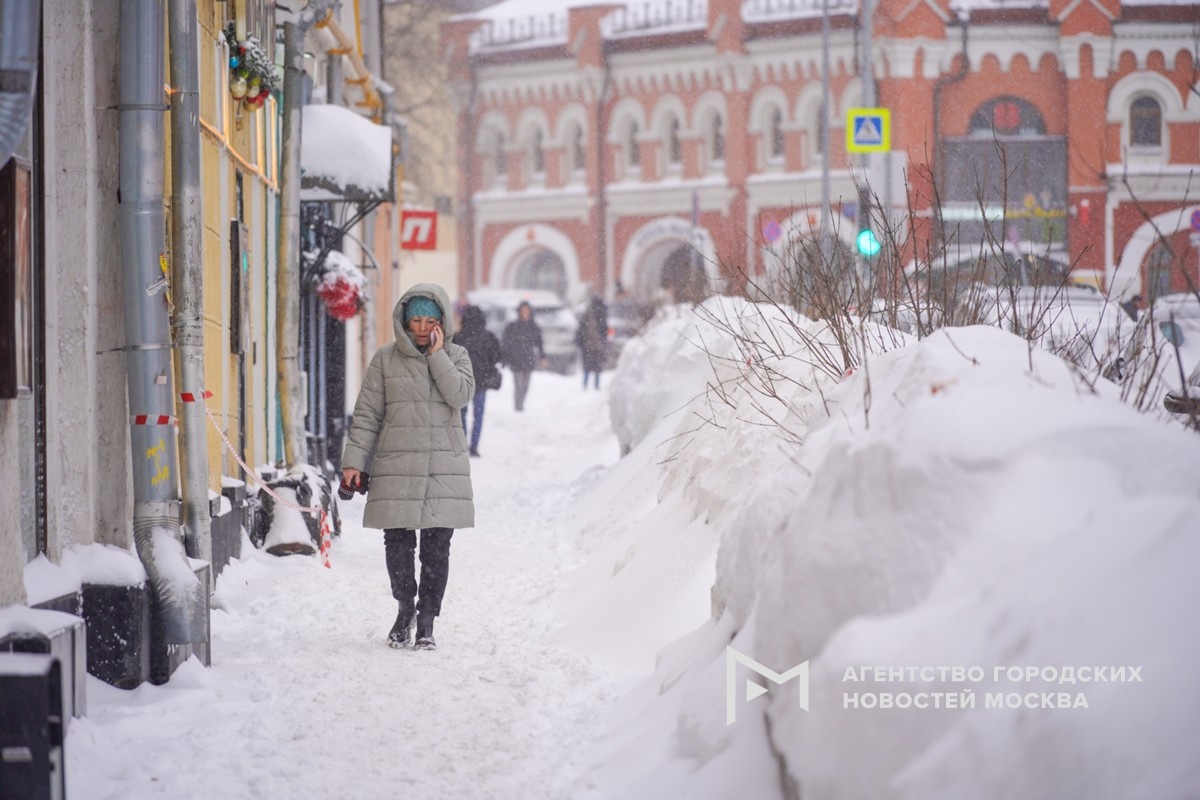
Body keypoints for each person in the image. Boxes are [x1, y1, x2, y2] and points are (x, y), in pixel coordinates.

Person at [341, 283, 475, 651]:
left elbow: (460, 396)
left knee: (437, 549)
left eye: (430, 321)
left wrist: (437, 356)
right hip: (396, 464)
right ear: (404, 321)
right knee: (397, 545)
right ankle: (405, 609)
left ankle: (427, 619)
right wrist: (353, 462)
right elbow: (367, 414)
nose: (422, 328)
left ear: (441, 322)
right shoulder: (385, 359)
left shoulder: (457, 356)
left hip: (442, 468)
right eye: (416, 320)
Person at [454, 304, 502, 457]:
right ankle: (474, 446)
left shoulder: (458, 337)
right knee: (478, 415)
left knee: (461, 414)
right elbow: (497, 357)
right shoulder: (488, 337)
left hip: (462, 381)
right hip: (481, 382)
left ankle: (462, 445)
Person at [501, 300, 545, 411]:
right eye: (523, 310)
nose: (525, 313)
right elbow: (506, 343)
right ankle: (518, 406)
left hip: (528, 359)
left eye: (527, 310)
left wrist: (542, 357)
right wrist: (505, 358)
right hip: (516, 360)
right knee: (518, 385)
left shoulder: (534, 327)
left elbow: (540, 343)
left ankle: (521, 404)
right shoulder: (512, 327)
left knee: (525, 385)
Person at [575, 296, 609, 390]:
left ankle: (586, 385)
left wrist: (579, 342)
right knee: (596, 367)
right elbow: (604, 332)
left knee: (588, 367)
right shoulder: (601, 315)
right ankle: (594, 385)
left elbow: (580, 330)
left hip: (588, 345)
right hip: (596, 345)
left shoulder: (587, 315)